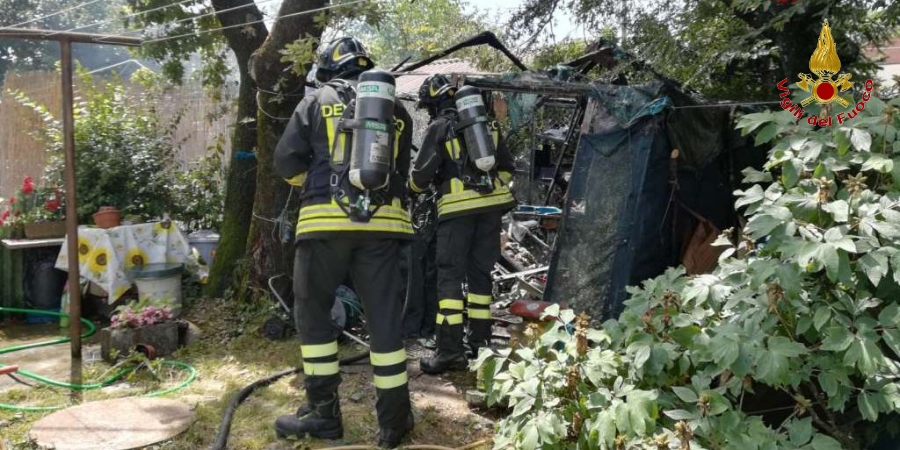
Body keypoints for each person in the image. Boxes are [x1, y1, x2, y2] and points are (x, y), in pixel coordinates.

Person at [273, 36, 415, 448]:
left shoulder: (317, 101)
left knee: (314, 313)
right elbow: (401, 171)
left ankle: (323, 415)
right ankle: (394, 421)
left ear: (329, 68)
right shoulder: (398, 111)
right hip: (383, 228)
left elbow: (286, 163)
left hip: (323, 224)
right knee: (385, 322)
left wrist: (315, 184)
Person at [410, 75, 516, 374]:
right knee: (481, 278)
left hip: (457, 216)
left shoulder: (439, 127)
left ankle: (449, 353)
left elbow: (420, 177)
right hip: (491, 213)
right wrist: (487, 191)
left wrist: (413, 190)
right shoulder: (489, 125)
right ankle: (480, 345)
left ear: (433, 103)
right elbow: (508, 169)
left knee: (449, 280)